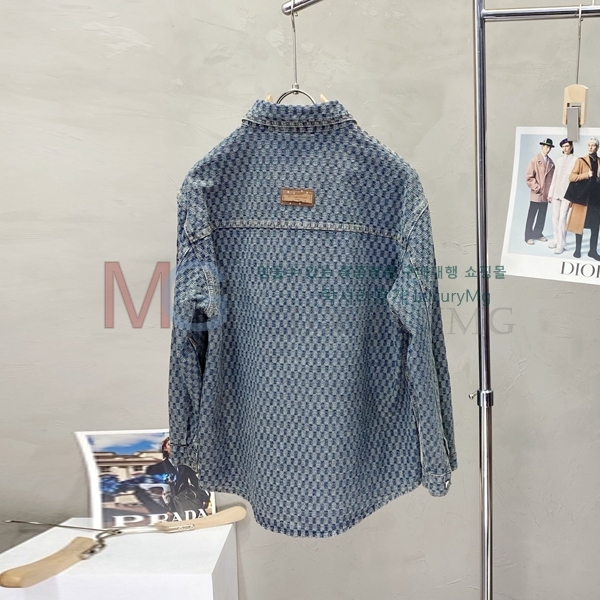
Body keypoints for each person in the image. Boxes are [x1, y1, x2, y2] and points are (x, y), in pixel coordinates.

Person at [568, 137, 600, 260]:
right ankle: (577, 250)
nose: (591, 147)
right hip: (582, 197)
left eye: (593, 145)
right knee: (579, 224)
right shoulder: (581, 161)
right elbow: (571, 177)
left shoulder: (599, 161)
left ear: (597, 147)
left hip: (596, 199)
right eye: (589, 145)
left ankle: (592, 251)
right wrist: (586, 175)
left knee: (595, 226)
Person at [547, 138, 576, 254]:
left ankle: (561, 244)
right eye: (563, 146)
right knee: (555, 218)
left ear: (571, 147)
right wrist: (550, 193)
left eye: (567, 146)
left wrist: (572, 197)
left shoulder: (576, 160)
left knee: (562, 219)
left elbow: (575, 182)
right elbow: (554, 177)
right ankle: (555, 240)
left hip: (567, 195)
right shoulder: (558, 160)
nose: (565, 148)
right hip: (556, 193)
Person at [524, 138, 555, 244]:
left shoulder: (551, 163)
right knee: (532, 215)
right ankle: (528, 236)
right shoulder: (534, 160)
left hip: (546, 195)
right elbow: (529, 177)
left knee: (542, 215)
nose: (548, 149)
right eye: (546, 146)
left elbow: (553, 179)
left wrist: (550, 193)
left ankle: (538, 233)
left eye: (549, 147)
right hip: (537, 194)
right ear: (542, 146)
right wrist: (537, 187)